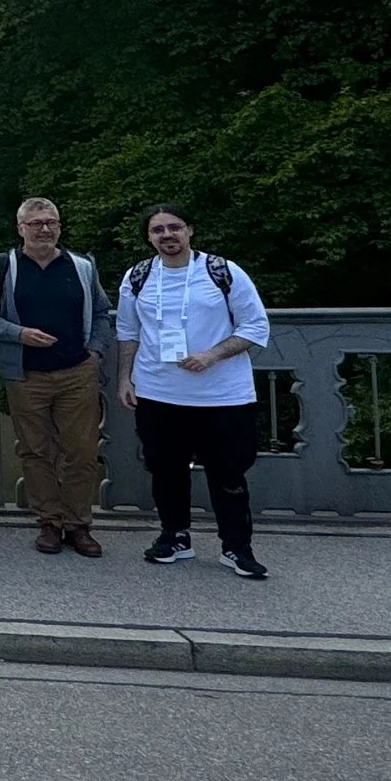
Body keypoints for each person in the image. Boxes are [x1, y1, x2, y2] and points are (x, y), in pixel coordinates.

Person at [116, 205, 273, 579]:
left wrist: (212, 355)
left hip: (222, 394)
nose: (167, 235)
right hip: (158, 391)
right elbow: (128, 331)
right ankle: (174, 536)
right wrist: (125, 378)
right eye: (158, 230)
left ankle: (237, 547)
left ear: (189, 230)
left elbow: (255, 326)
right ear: (149, 237)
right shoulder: (137, 276)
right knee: (165, 470)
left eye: (174, 227)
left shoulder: (222, 272)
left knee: (228, 473)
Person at [0, 198, 115, 556]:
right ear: (20, 228)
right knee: (35, 451)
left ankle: (78, 524)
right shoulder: (2, 266)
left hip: (76, 371)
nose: (45, 229)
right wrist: (18, 334)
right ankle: (50, 521)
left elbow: (102, 312)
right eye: (36, 223)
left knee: (81, 451)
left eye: (51, 222)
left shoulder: (81, 266)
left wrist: (95, 353)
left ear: (59, 227)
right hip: (25, 374)